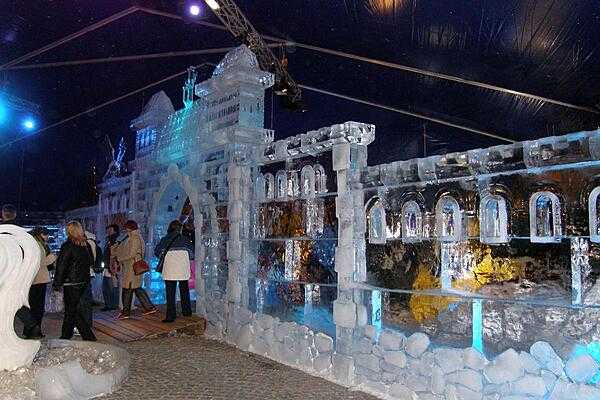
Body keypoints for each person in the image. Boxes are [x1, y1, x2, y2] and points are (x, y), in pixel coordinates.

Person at [1, 203, 42, 339]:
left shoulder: (3, 231)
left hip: (5, 270)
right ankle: (31, 324)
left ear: (2, 214)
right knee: (13, 298)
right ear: (15, 215)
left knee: (8, 298)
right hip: (19, 271)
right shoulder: (22, 233)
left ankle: (29, 323)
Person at [53, 221, 97, 341]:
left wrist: (57, 283)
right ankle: (70, 335)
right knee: (73, 309)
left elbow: (61, 266)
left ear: (70, 231)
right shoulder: (85, 245)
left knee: (71, 310)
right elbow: (91, 262)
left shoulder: (68, 246)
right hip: (83, 281)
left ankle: (74, 336)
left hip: (71, 282)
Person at [112, 220, 157, 319]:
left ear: (129, 228)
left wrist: (120, 258)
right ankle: (149, 307)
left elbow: (131, 254)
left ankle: (126, 312)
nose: (125, 230)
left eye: (126, 228)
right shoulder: (134, 237)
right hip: (132, 267)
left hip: (132, 267)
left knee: (127, 289)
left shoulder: (134, 238)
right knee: (136, 288)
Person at [154, 220, 194, 323]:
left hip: (169, 269)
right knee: (184, 290)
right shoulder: (185, 239)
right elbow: (192, 253)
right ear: (179, 229)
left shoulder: (165, 239)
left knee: (170, 292)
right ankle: (187, 311)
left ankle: (170, 316)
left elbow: (157, 252)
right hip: (182, 269)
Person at [28, 227, 57, 337]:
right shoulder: (37, 245)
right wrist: (52, 257)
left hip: (35, 279)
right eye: (46, 235)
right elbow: (40, 262)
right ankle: (35, 331)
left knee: (34, 306)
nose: (47, 237)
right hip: (39, 279)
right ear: (40, 234)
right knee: (37, 307)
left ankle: (30, 330)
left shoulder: (32, 243)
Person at [101, 224, 120, 311]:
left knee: (111, 287)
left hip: (111, 266)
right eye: (108, 230)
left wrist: (113, 266)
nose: (108, 231)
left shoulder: (115, 240)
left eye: (110, 230)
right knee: (106, 287)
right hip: (107, 266)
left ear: (115, 231)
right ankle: (109, 305)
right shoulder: (109, 240)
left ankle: (112, 305)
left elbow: (113, 254)